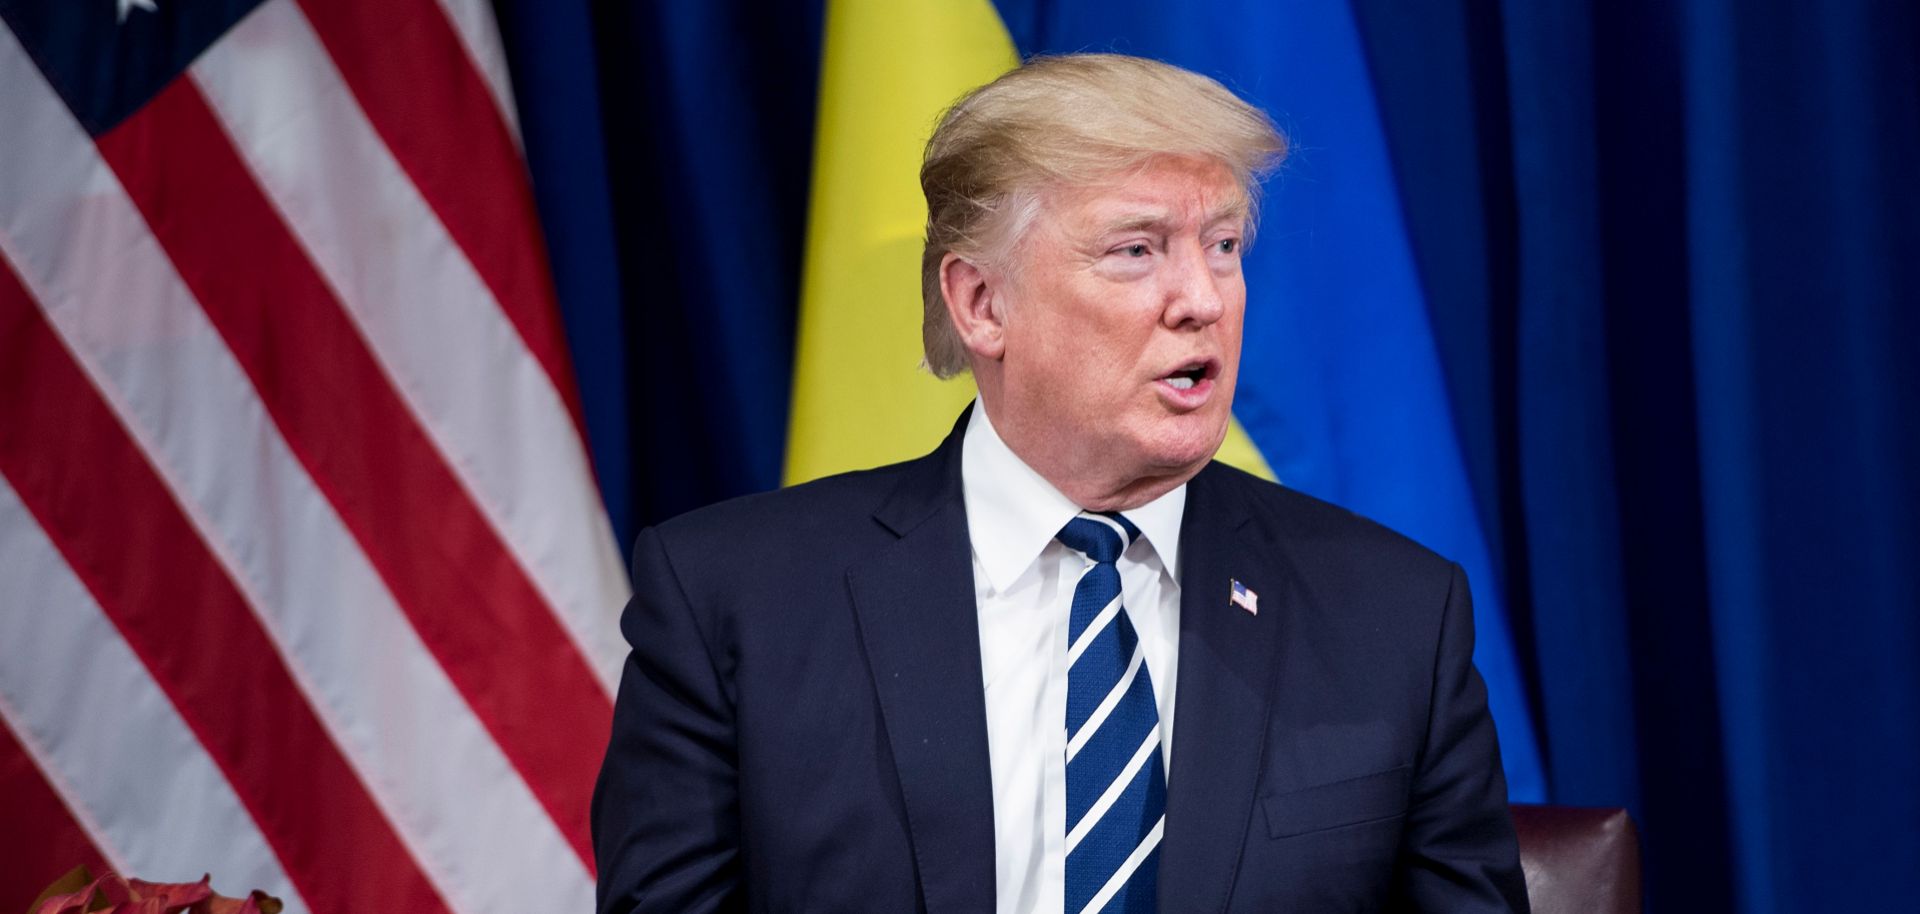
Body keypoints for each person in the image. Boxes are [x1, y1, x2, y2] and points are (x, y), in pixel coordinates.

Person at [592, 53, 1529, 914]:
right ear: (981, 304)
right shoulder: (736, 602)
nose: (1202, 298)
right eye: (1136, 249)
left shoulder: (1392, 613)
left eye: (1225, 246)